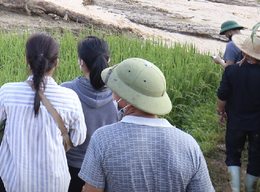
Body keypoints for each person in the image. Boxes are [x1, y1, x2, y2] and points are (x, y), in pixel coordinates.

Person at [79, 58, 213, 192]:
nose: (113, 96)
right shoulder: (189, 145)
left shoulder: (103, 139)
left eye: (115, 91)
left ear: (127, 100)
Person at [0, 32, 86, 192]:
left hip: (13, 180)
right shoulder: (69, 97)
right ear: (56, 63)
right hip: (54, 182)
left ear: (27, 60)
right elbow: (78, 138)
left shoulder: (8, 92)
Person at [60, 37, 119, 192]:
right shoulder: (119, 98)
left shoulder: (65, 92)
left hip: (68, 168)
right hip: (104, 173)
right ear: (108, 60)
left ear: (81, 62)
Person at [218, 33, 260, 192]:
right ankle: (250, 190)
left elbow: (222, 95)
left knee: (233, 156)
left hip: (236, 122)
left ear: (244, 53)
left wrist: (220, 112)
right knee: (256, 159)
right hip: (258, 125)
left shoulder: (232, 71)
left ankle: (235, 190)